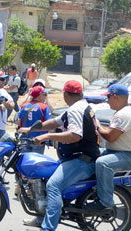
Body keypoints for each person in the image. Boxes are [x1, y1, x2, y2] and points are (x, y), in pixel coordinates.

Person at [18, 80, 100, 230]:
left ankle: (48, 227)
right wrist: (31, 129)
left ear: (65, 94)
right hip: (76, 158)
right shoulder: (81, 106)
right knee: (46, 179)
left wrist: (47, 137)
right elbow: (55, 122)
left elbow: (75, 135)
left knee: (53, 186)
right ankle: (42, 217)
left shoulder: (76, 110)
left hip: (83, 160)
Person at [89, 84, 131, 211]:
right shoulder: (122, 112)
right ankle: (93, 191)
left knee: (103, 163)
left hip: (129, 156)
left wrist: (96, 125)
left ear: (115, 97)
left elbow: (110, 137)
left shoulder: (125, 114)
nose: (107, 101)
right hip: (117, 152)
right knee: (90, 154)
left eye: (108, 97)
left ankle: (105, 202)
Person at [18, 86, 52, 154]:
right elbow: (49, 123)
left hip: (25, 139)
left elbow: (19, 122)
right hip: (38, 140)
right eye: (44, 94)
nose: (45, 96)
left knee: (25, 161)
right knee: (36, 161)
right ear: (39, 96)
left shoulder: (24, 106)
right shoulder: (43, 107)